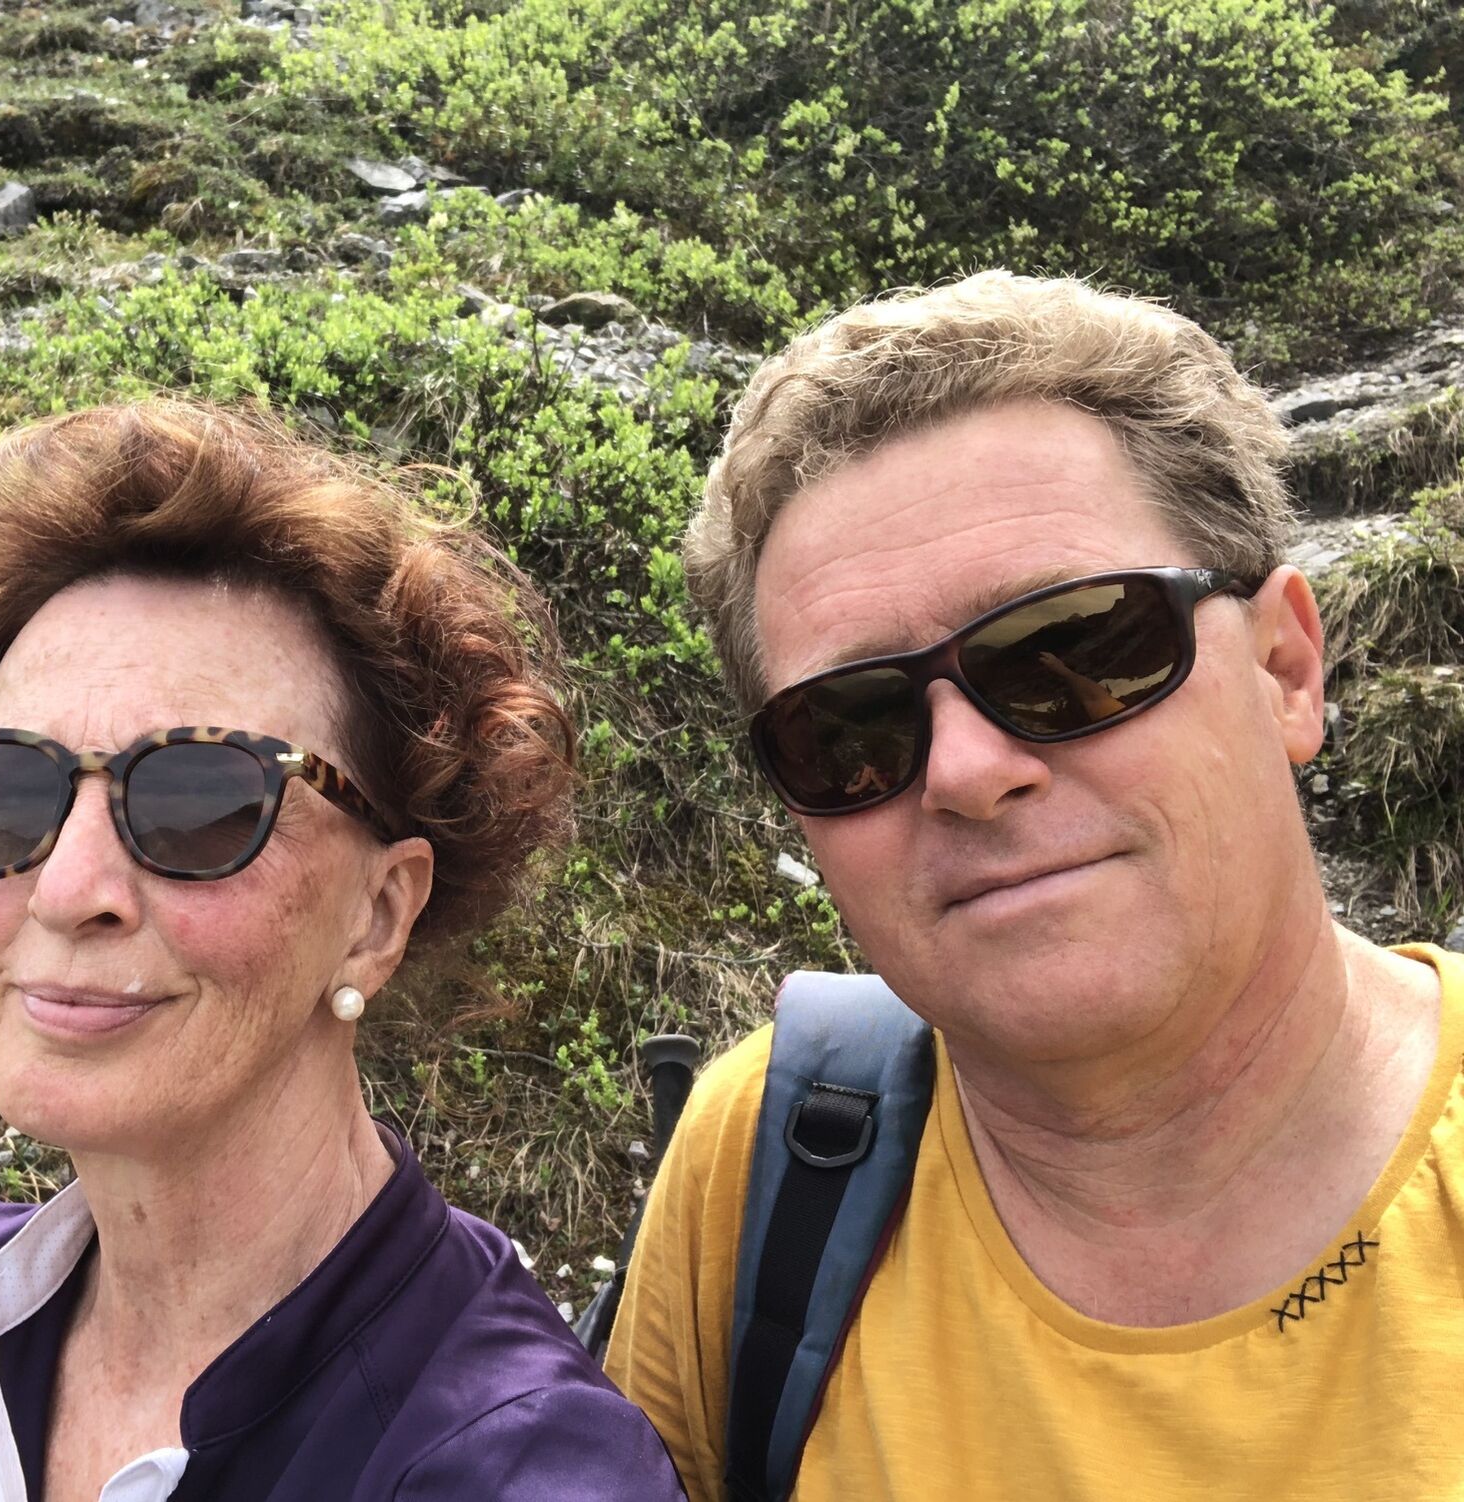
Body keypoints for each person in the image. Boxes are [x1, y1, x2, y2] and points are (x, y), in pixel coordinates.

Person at [605, 272, 1463, 1501]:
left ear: (1283, 668)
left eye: (1068, 648)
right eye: (849, 727)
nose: (964, 770)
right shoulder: (757, 1166)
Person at [0, 400, 687, 1502]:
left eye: (200, 800)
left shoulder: (517, 1469)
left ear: (376, 914)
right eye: (3, 791)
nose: (65, 890)